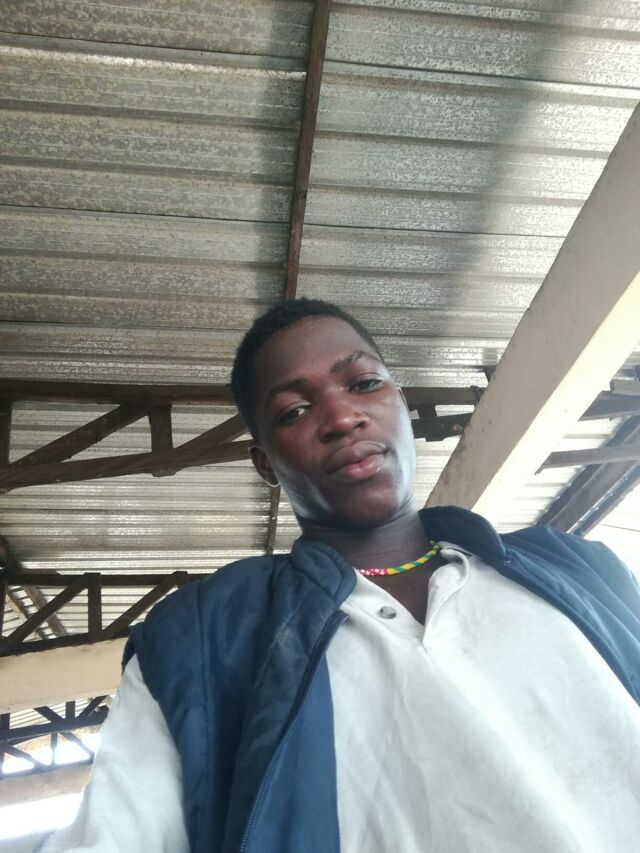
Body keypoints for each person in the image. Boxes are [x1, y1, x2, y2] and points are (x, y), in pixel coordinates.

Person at [40, 299, 640, 853]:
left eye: (364, 384)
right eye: (294, 411)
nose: (342, 417)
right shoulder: (203, 643)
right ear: (266, 465)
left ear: (401, 404)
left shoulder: (582, 570)